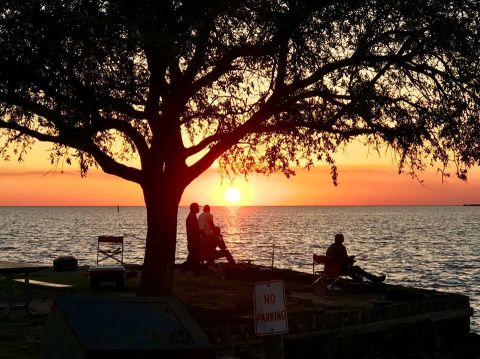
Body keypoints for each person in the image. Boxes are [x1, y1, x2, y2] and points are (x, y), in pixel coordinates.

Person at [180, 202, 202, 276]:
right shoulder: (191, 217)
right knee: (194, 257)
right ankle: (194, 272)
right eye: (197, 207)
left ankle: (196, 272)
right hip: (193, 241)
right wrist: (200, 232)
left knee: (194, 258)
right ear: (194, 208)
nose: (199, 208)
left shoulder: (192, 216)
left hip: (193, 241)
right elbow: (194, 230)